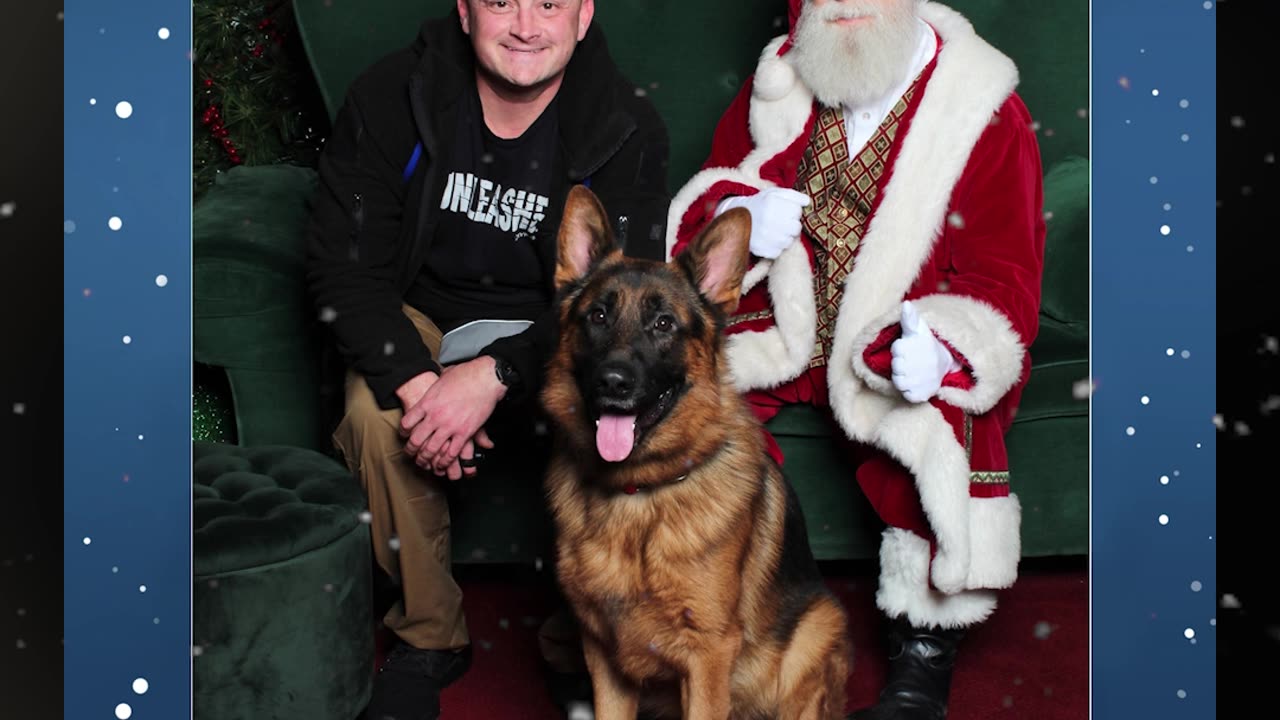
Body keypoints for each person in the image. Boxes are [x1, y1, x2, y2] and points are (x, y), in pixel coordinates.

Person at [667, 1, 1046, 718]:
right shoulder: (776, 85)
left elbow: (1004, 276)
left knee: (939, 421)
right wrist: (744, 217)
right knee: (677, 396)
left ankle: (923, 651)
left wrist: (939, 347)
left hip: (892, 341)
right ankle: (668, 612)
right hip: (789, 327)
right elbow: (702, 227)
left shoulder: (983, 108)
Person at [304, 0, 670, 718]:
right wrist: (420, 389)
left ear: (584, 15)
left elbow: (616, 296)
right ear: (466, 11)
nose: (527, 25)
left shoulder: (626, 125)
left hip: (557, 325)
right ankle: (430, 635)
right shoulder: (391, 95)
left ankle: (584, 637)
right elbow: (341, 264)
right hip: (420, 311)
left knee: (618, 412)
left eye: (549, 5)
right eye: (502, 2)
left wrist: (495, 375)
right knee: (369, 412)